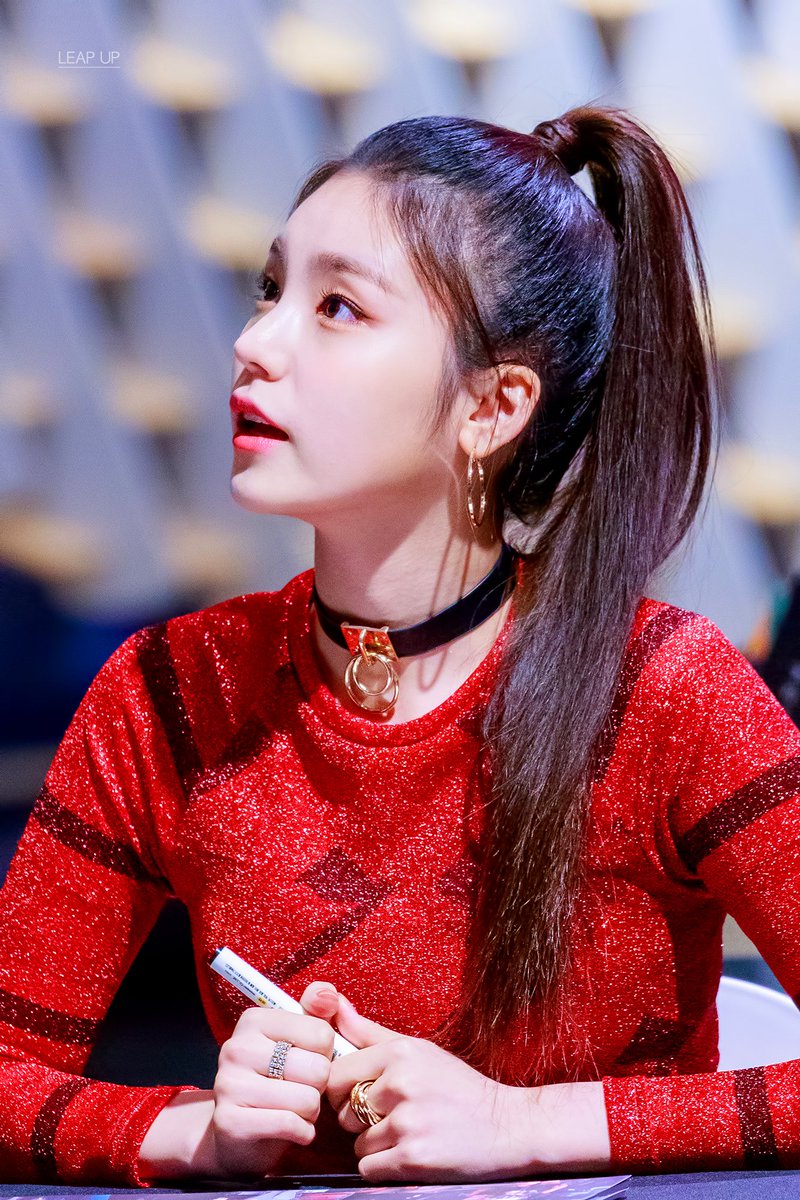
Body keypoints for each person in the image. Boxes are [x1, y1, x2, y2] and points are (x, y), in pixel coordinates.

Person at [0, 103, 798, 1188]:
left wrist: (521, 1122)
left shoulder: (664, 689)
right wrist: (194, 1133)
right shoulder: (172, 691)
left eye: (336, 306)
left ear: (492, 407)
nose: (254, 343)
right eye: (271, 289)